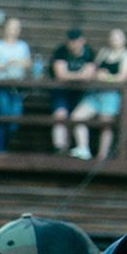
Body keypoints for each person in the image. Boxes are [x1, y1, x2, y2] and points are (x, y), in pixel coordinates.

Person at [84, 28, 127, 161]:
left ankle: (102, 155)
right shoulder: (103, 52)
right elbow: (94, 70)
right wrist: (97, 75)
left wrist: (107, 78)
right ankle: (83, 149)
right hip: (96, 92)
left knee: (106, 124)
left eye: (117, 37)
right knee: (78, 117)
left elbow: (123, 77)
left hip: (111, 94)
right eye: (112, 36)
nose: (114, 39)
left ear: (124, 39)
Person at [0, 16, 31, 153]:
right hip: (1, 86)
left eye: (17, 28)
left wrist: (17, 63)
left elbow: (28, 63)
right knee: (3, 115)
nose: (14, 30)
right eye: (11, 27)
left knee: (14, 120)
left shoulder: (23, 46)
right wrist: (6, 64)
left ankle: (2, 147)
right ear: (6, 28)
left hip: (17, 87)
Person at [49, 28, 96, 158]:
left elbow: (89, 74)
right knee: (60, 115)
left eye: (76, 41)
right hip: (61, 91)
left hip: (81, 92)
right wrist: (79, 75)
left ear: (82, 41)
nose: (74, 45)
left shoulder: (89, 52)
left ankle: (79, 149)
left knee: (77, 117)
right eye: (71, 42)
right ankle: (60, 148)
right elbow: (60, 75)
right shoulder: (61, 51)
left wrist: (70, 75)